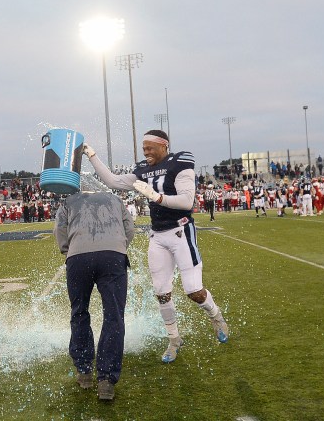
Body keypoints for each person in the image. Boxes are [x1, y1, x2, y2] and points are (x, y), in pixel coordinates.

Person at [84, 129, 229, 364]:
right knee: (161, 293)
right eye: (144, 148)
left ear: (164, 146)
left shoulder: (179, 163)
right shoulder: (143, 170)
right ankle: (174, 339)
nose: (146, 152)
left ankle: (216, 316)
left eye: (150, 148)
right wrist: (91, 154)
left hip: (181, 231)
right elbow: (112, 181)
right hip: (158, 235)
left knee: (194, 291)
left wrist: (157, 197)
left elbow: (186, 201)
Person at [54, 191, 135, 401]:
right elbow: (129, 227)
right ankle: (106, 379)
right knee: (114, 315)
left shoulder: (68, 200)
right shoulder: (115, 199)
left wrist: (69, 251)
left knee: (79, 312)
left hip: (78, 258)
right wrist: (118, 248)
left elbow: (60, 230)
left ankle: (84, 371)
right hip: (113, 256)